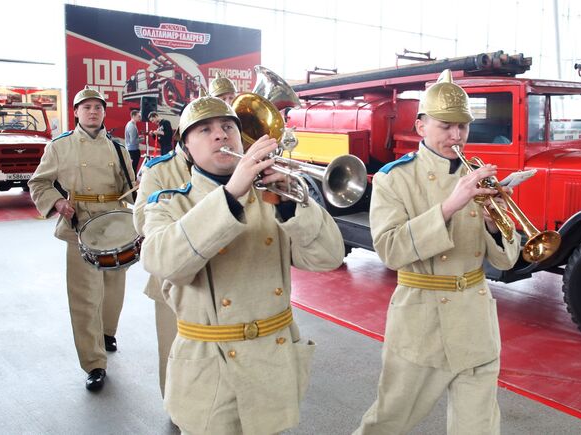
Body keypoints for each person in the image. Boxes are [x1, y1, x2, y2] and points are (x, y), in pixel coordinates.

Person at [141, 95, 344, 433]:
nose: (220, 135)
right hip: (211, 370)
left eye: (227, 127)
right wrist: (232, 193)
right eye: (205, 130)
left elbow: (328, 257)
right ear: (186, 149)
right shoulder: (168, 203)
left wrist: (291, 206)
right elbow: (166, 263)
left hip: (272, 362)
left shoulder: (274, 196)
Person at [354, 72, 521, 434]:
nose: (456, 136)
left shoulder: (478, 174)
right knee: (389, 420)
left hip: (476, 320)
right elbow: (390, 250)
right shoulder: (393, 178)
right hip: (421, 320)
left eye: (463, 127)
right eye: (446, 126)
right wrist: (449, 207)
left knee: (478, 428)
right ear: (420, 126)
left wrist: (495, 221)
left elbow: (507, 260)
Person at [28, 88, 136, 392]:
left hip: (114, 223)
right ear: (76, 112)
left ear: (103, 112)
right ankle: (94, 363)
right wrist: (58, 204)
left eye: (98, 107)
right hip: (80, 224)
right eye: (86, 107)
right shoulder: (59, 147)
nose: (92, 112)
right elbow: (39, 182)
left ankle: (106, 333)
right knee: (85, 296)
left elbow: (132, 187)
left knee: (114, 287)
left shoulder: (118, 148)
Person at [133, 139, 191, 399]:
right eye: (205, 128)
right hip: (172, 279)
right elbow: (141, 221)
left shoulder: (233, 166)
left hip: (222, 276)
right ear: (185, 137)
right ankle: (175, 406)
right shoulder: (158, 170)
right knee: (173, 350)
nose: (219, 135)